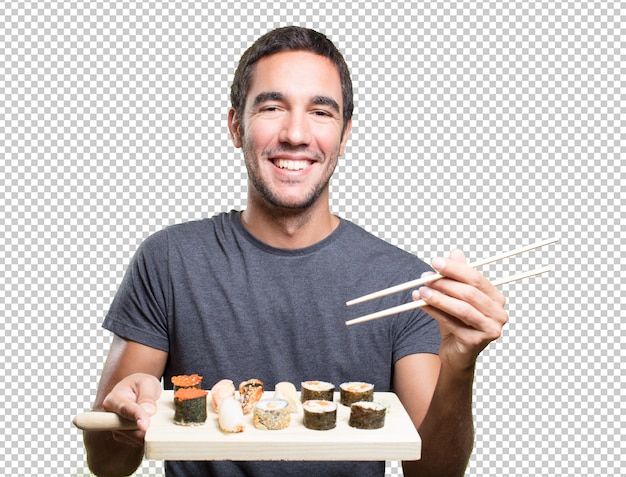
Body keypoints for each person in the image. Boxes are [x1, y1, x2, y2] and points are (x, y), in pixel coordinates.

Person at [83, 26, 508, 477]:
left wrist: (461, 361)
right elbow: (109, 463)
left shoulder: (403, 280)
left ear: (345, 135)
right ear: (235, 126)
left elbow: (433, 473)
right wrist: (125, 416)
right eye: (271, 107)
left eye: (321, 112)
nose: (296, 133)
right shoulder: (169, 260)